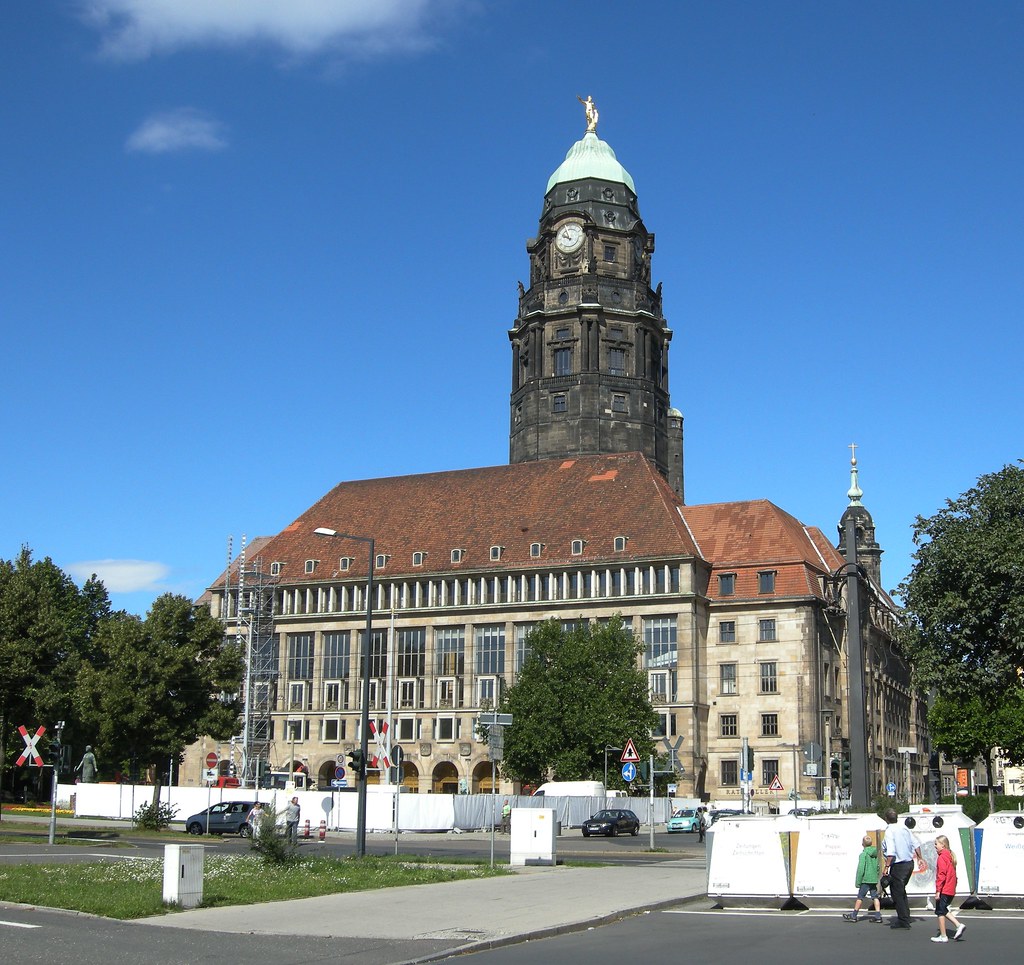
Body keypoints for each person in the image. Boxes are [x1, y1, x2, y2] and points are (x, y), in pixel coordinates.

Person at [881, 808, 925, 929]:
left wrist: (886, 866)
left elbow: (891, 852)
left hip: (898, 865)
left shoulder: (889, 831)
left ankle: (903, 920)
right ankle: (906, 915)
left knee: (896, 893)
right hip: (909, 863)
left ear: (886, 819)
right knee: (901, 890)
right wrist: (920, 858)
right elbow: (916, 843)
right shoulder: (904, 828)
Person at [931, 835, 966, 943]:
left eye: (936, 844)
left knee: (940, 912)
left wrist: (938, 890)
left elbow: (941, 875)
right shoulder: (950, 856)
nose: (935, 846)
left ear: (943, 845)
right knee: (943, 909)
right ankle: (957, 925)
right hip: (951, 888)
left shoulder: (942, 857)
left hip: (945, 888)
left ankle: (944, 935)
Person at [843, 834, 883, 922]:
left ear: (863, 844)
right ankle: (878, 916)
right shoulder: (875, 854)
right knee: (875, 897)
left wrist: (858, 881)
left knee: (860, 897)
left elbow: (861, 869)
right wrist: (876, 876)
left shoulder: (863, 854)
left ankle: (854, 915)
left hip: (865, 879)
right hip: (873, 879)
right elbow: (878, 867)